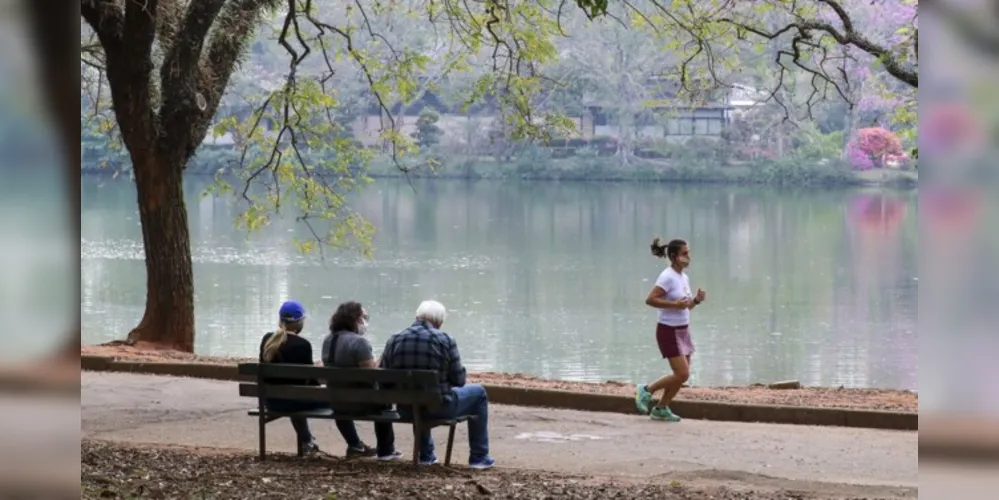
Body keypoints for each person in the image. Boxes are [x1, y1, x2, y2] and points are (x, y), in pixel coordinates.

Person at [379, 300, 495, 469]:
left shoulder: (394, 339)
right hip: (440, 409)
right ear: (440, 322)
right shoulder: (445, 339)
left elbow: (385, 379)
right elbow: (459, 380)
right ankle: (479, 457)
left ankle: (426, 455)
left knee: (417, 395)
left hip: (405, 409)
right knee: (479, 393)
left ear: (416, 316)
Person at [634, 238, 707, 422]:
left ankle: (661, 408)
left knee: (680, 377)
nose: (688, 257)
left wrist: (696, 301)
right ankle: (646, 390)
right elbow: (650, 300)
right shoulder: (667, 276)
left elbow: (686, 306)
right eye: (684, 254)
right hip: (668, 331)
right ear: (674, 257)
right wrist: (674, 304)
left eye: (688, 253)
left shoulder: (683, 278)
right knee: (682, 374)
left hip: (683, 330)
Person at [321, 301, 402, 461]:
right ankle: (386, 451)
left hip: (337, 402)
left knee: (344, 399)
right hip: (363, 403)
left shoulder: (327, 341)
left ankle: (354, 445)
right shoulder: (359, 342)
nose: (365, 322)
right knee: (383, 398)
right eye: (363, 317)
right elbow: (371, 376)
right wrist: (382, 360)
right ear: (353, 319)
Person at [258, 300, 324, 455]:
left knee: (292, 394)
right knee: (305, 396)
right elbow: (309, 383)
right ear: (299, 322)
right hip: (295, 401)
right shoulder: (303, 345)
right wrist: (316, 370)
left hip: (272, 402)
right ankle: (310, 443)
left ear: (280, 320)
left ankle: (308, 442)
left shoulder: (267, 340)